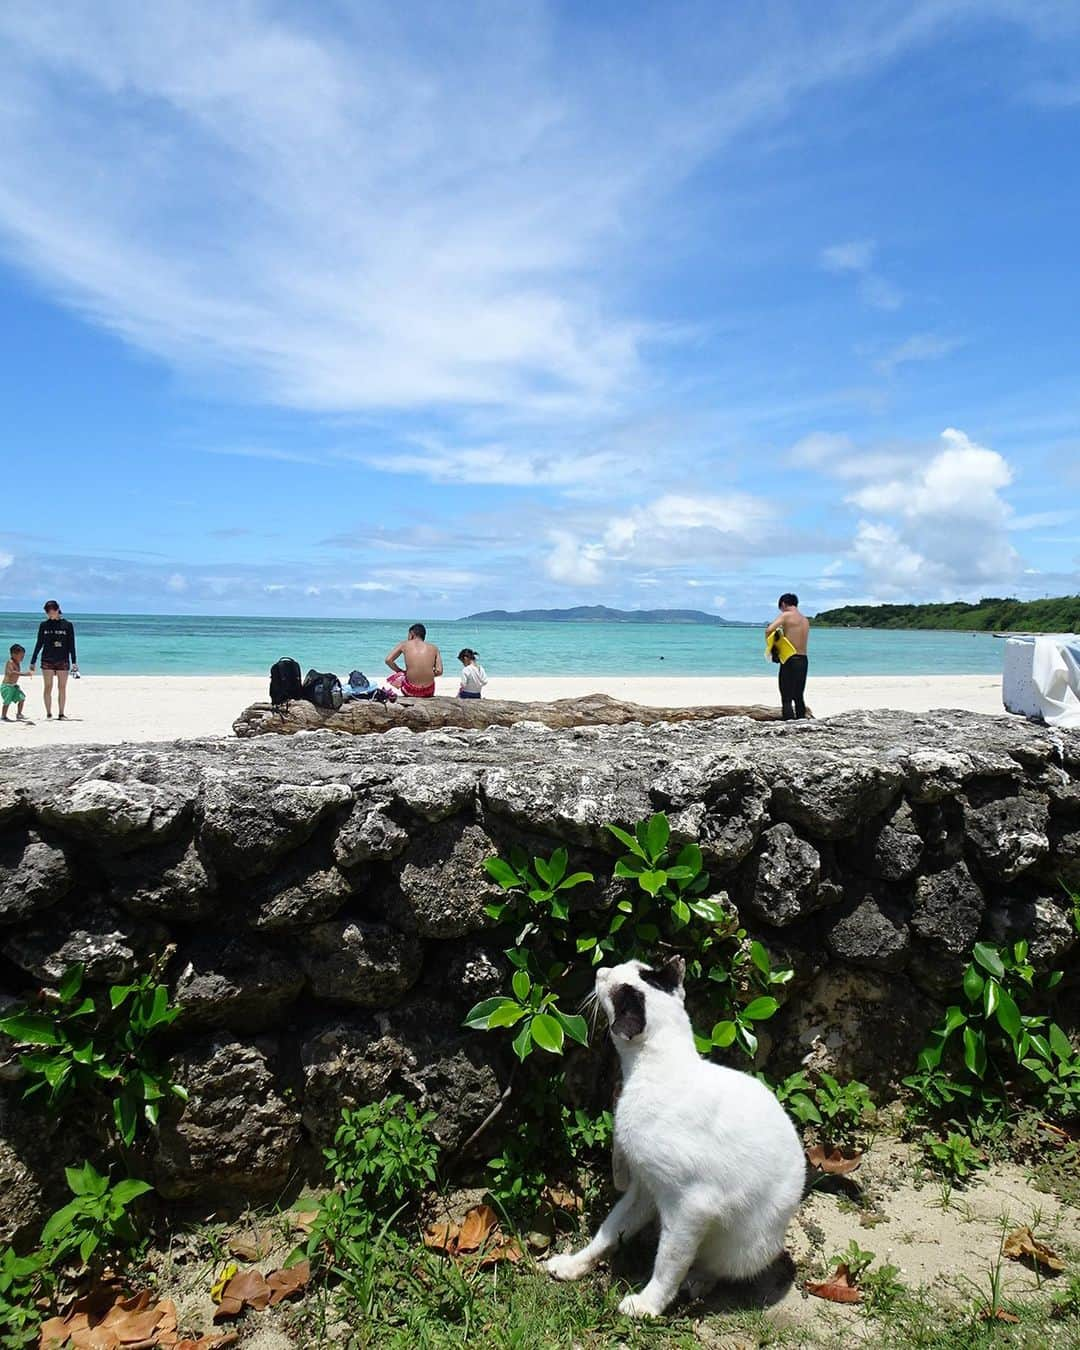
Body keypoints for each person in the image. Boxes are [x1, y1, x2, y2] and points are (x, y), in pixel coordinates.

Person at [29, 600, 78, 720]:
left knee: (62, 687)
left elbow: (71, 644)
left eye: (51, 612)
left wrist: (74, 662)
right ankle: (49, 713)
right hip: (47, 659)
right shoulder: (44, 625)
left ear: (57, 610)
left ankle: (61, 714)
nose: (50, 615)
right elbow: (39, 643)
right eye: (48, 613)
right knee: (48, 686)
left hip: (63, 659)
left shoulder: (67, 625)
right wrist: (33, 660)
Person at [765, 592, 809, 720]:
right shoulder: (805, 619)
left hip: (790, 659)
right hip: (803, 659)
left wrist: (772, 648)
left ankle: (788, 723)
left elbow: (769, 630)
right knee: (799, 695)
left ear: (783, 604)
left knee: (786, 697)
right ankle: (802, 721)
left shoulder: (786, 616)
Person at [385, 622, 443, 698]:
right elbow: (440, 671)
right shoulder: (434, 648)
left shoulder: (404, 644)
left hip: (410, 691)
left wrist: (399, 671)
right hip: (428, 691)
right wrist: (427, 674)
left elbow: (388, 660)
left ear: (412, 634)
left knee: (399, 676)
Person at [1, 644, 30, 722]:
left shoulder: (17, 662)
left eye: (23, 656)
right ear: (13, 654)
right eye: (21, 656)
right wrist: (24, 674)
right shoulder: (10, 662)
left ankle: (19, 714)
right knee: (7, 701)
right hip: (6, 686)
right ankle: (3, 716)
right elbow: (12, 672)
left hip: (13, 686)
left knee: (22, 698)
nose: (22, 658)